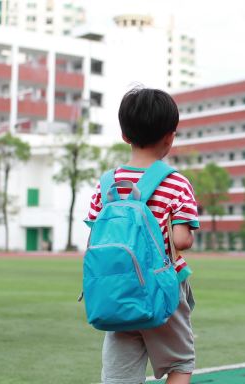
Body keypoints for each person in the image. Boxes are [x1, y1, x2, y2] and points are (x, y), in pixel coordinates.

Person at [84, 87, 199, 384]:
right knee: (180, 362)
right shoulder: (176, 183)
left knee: (119, 374)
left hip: (117, 288)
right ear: (170, 136)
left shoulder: (107, 184)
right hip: (163, 287)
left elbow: (97, 235)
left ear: (125, 135)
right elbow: (183, 240)